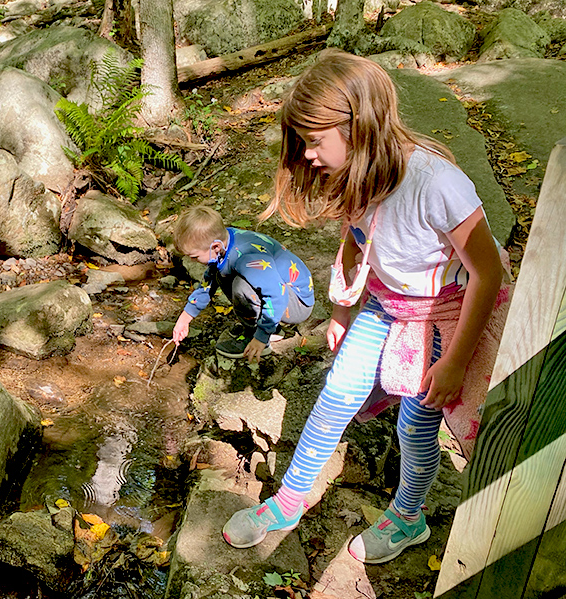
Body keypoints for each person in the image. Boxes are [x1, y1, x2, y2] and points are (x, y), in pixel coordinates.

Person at [221, 49, 509, 564]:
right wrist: (341, 311)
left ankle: (408, 515)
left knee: (415, 425)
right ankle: (289, 501)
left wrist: (456, 361)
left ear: (359, 126)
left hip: (440, 315)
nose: (307, 156)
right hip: (385, 305)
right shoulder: (358, 171)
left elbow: (486, 273)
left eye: (314, 142)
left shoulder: (436, 183)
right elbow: (357, 240)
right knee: (336, 393)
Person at [170, 205, 315, 361]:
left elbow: (276, 295)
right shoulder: (225, 243)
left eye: (194, 256)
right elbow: (209, 282)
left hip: (297, 302)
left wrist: (261, 337)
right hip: (280, 292)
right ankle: (261, 326)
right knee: (222, 275)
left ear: (216, 246)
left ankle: (260, 337)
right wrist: (185, 317)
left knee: (241, 286)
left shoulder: (247, 258)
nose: (191, 261)